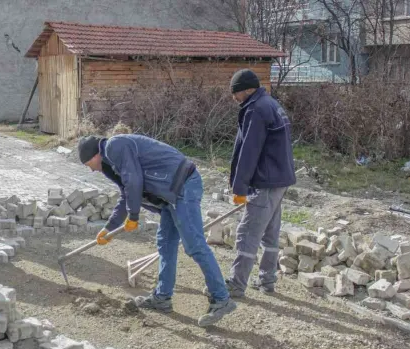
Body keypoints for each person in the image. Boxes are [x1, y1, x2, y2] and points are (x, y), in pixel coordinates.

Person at [78, 134, 236, 327]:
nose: (91, 169)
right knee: (165, 244)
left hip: (183, 186)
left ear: (94, 155)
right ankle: (162, 297)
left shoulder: (114, 146)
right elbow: (127, 192)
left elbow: (134, 179)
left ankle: (221, 299)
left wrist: (133, 215)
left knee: (194, 244)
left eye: (88, 164)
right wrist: (109, 227)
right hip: (170, 194)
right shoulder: (112, 161)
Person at [223, 69, 296, 297]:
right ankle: (267, 281)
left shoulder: (256, 109)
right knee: (270, 233)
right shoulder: (271, 104)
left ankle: (236, 284)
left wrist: (240, 188)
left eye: (235, 93)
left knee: (247, 233)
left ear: (246, 90)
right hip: (279, 178)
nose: (234, 98)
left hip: (265, 180)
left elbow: (249, 150)